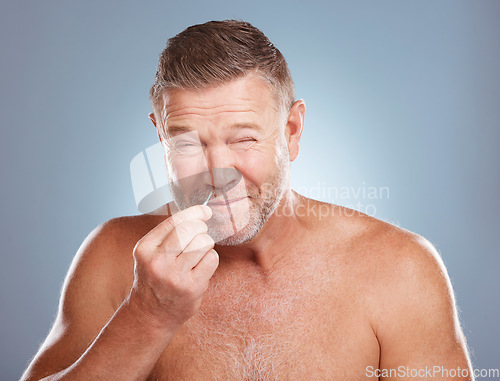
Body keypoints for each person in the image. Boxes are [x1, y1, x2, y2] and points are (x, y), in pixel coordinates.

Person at [22, 20, 473, 380]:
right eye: (187, 144)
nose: (217, 174)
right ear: (160, 136)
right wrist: (147, 315)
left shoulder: (399, 269)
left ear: (291, 132)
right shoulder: (114, 257)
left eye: (243, 139)